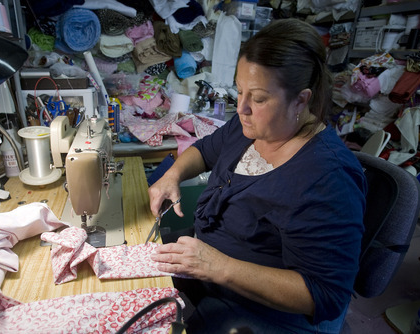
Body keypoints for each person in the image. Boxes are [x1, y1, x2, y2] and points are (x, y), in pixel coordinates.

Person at [148, 18, 367, 334]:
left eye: (259, 98)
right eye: (239, 91)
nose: (242, 108)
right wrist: (173, 175)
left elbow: (325, 294)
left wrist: (220, 267)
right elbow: (205, 150)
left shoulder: (329, 179)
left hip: (263, 313)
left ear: (301, 100)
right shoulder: (250, 126)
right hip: (208, 273)